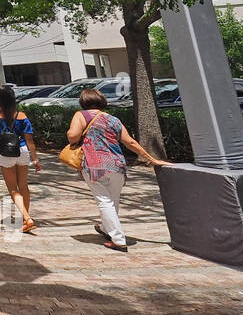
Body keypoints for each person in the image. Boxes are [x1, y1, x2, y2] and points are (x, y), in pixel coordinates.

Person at [66, 87, 169, 251]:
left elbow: (73, 135)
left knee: (104, 201)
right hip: (117, 165)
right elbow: (130, 142)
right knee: (113, 201)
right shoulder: (113, 119)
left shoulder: (81, 115)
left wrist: (74, 133)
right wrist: (152, 159)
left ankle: (118, 239)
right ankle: (106, 229)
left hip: (94, 165)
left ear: (83, 102)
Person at [0, 85, 40, 234]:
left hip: (5, 152)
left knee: (13, 189)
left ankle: (27, 218)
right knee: (23, 186)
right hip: (22, 151)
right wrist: (35, 159)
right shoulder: (21, 115)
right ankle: (25, 220)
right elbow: (29, 140)